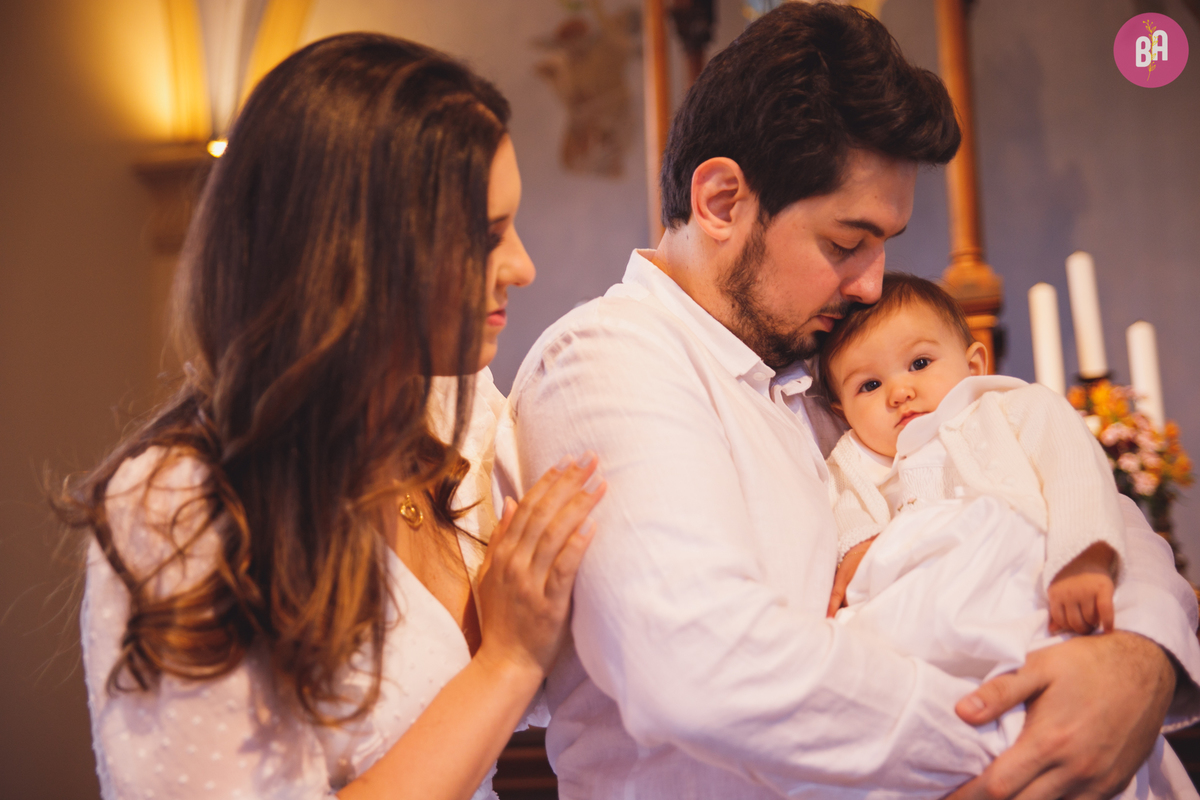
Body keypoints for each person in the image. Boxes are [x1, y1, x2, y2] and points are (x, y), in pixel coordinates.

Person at [497, 3, 1200, 798]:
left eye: (883, 246)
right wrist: (1037, 728)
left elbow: (1072, 498)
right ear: (722, 200)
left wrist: (1139, 658)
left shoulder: (818, 358)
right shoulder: (607, 362)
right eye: (844, 242)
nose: (870, 284)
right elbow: (703, 667)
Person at [64, 34, 605, 800]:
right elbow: (511, 662)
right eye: (485, 238)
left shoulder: (459, 418)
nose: (522, 266)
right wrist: (506, 661)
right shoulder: (180, 511)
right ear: (358, 252)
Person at [818, 273, 1197, 799]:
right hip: (923, 607)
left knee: (1059, 712)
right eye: (869, 385)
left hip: (1020, 578)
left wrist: (1082, 560)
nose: (899, 392)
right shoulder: (858, 457)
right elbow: (846, 503)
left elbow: (1074, 475)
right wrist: (859, 547)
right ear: (841, 410)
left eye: (920, 364)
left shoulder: (1015, 408)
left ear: (974, 364)